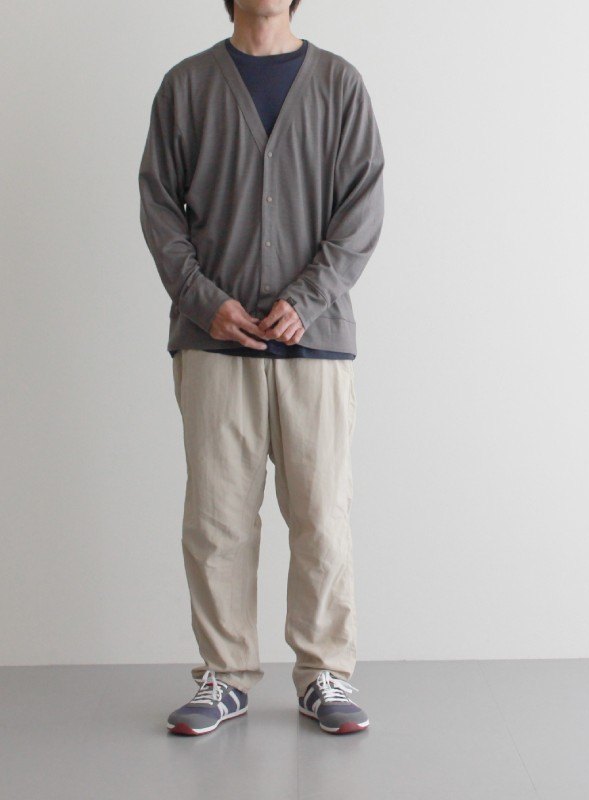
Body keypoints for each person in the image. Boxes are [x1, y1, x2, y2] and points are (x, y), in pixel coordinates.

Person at [138, 0, 385, 736]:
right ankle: (225, 674)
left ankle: (325, 673)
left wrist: (306, 301)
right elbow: (160, 207)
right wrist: (203, 301)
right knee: (217, 516)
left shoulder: (339, 84)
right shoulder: (187, 85)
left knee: (321, 514)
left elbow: (361, 209)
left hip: (317, 340)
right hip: (215, 340)